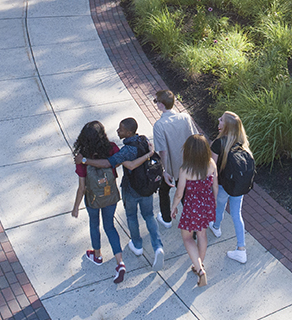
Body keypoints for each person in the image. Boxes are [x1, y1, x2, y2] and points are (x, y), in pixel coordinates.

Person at [79, 118, 165, 269]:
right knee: (149, 216)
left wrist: (85, 160)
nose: (118, 131)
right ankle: (158, 247)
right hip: (147, 187)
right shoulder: (144, 140)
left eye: (121, 129)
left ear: (129, 132)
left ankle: (137, 245)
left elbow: (109, 163)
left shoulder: (126, 151)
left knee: (132, 216)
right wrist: (150, 153)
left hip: (131, 189)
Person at [71, 121, 127, 284]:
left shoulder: (81, 157)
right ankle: (120, 263)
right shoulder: (111, 148)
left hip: (93, 198)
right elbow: (114, 163)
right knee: (110, 226)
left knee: (94, 224)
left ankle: (97, 255)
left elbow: (82, 187)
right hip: (110, 196)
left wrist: (76, 207)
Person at [151, 89, 201, 230]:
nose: (156, 104)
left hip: (173, 167)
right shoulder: (185, 117)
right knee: (186, 194)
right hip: (189, 164)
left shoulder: (159, 125)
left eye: (156, 102)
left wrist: (165, 170)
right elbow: (196, 138)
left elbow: (163, 151)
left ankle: (167, 219)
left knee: (165, 190)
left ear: (161, 105)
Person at [209, 111, 252, 263]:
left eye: (221, 120)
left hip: (222, 185)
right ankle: (241, 249)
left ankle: (216, 226)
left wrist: (211, 188)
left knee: (219, 206)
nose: (218, 121)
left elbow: (212, 170)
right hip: (238, 187)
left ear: (225, 126)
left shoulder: (218, 144)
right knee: (236, 214)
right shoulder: (242, 145)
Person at [174, 134, 217, 287]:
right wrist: (214, 204)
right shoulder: (211, 164)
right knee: (202, 234)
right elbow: (215, 187)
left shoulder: (185, 169)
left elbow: (179, 193)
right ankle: (199, 264)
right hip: (206, 204)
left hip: (192, 206)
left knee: (187, 238)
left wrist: (173, 207)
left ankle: (199, 270)